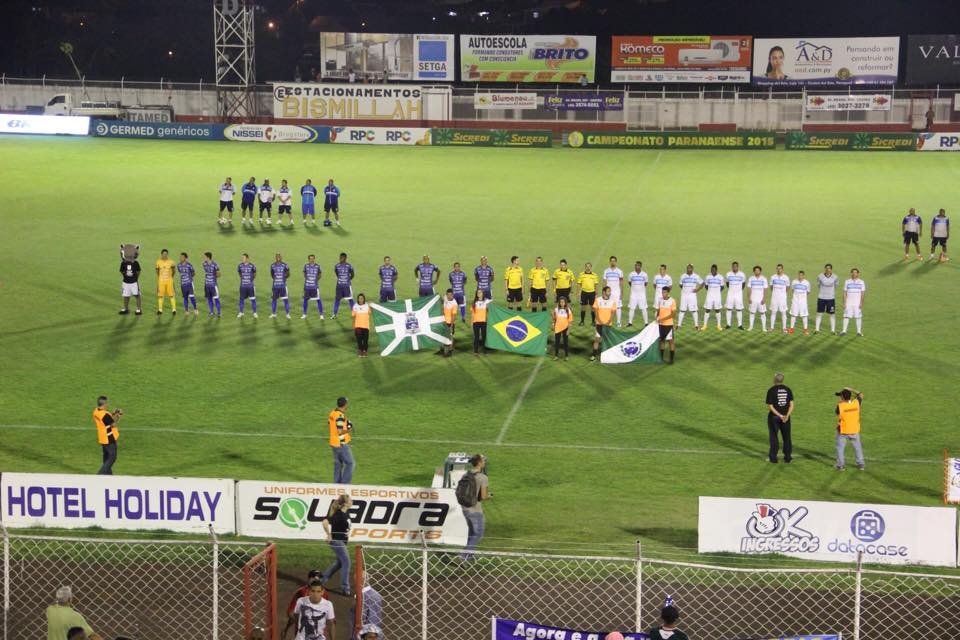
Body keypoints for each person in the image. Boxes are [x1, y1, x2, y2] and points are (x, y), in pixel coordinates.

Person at [460, 454, 490, 561]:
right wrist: (489, 496)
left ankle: (470, 554)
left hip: (464, 508)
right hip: (475, 509)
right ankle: (464, 555)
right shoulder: (483, 477)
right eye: (483, 461)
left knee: (472, 531)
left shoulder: (465, 475)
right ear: (479, 463)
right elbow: (483, 496)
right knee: (478, 533)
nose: (484, 462)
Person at [321, 495, 352, 596]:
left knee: (339, 563)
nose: (352, 501)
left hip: (342, 541)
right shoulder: (338, 514)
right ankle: (345, 588)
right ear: (346, 503)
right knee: (346, 562)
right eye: (350, 500)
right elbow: (325, 522)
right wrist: (329, 534)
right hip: (337, 541)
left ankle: (321, 580)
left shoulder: (346, 513)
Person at [282, 569, 326, 640]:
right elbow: (291, 612)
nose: (316, 580)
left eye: (319, 578)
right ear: (308, 579)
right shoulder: (301, 592)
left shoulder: (324, 593)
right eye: (314, 578)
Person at [766, 373, 795, 464]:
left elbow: (771, 407)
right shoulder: (788, 389)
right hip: (786, 418)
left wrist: (780, 415)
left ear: (775, 379)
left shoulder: (771, 390)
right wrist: (786, 416)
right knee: (787, 438)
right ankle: (788, 458)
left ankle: (773, 458)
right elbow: (792, 405)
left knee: (774, 437)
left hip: (774, 418)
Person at [835, 387, 865, 471]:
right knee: (857, 447)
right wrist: (850, 389)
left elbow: (837, 412)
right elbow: (861, 394)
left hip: (843, 431)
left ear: (843, 397)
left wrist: (841, 402)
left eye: (840, 396)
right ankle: (861, 464)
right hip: (854, 430)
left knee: (840, 448)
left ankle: (840, 465)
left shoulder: (840, 406)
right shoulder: (856, 403)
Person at [92, 396, 122, 474]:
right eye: (107, 403)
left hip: (102, 438)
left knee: (106, 458)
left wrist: (113, 413)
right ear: (104, 404)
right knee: (112, 457)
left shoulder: (96, 411)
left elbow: (106, 419)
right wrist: (119, 417)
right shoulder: (105, 415)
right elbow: (113, 424)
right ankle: (99, 475)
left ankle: (108, 477)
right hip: (109, 438)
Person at [328, 397, 354, 483]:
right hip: (340, 443)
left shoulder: (332, 413)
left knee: (338, 465)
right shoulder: (340, 416)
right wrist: (348, 430)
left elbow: (330, 424)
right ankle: (344, 485)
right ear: (345, 405)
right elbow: (339, 431)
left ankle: (337, 486)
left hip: (333, 442)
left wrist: (345, 423)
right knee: (350, 463)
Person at [591, 286, 616, 362]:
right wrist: (599, 320)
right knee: (597, 340)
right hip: (599, 324)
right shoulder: (598, 300)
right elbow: (595, 311)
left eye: (610, 291)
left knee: (608, 340)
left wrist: (609, 321)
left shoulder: (612, 301)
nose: (610, 293)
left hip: (608, 324)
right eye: (608, 291)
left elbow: (613, 313)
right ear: (604, 292)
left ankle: (608, 355)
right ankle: (594, 355)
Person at [840, 268, 866, 337]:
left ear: (858, 274)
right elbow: (844, 293)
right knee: (846, 316)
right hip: (849, 303)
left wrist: (861, 303)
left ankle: (859, 332)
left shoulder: (861, 282)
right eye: (853, 272)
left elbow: (862, 293)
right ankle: (844, 331)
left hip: (857, 303)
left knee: (858, 317)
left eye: (855, 272)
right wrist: (844, 303)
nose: (854, 274)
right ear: (851, 273)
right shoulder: (847, 281)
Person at [676, 264, 703, 330]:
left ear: (692, 269)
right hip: (684, 295)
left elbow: (702, 283)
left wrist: (697, 289)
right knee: (682, 310)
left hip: (692, 295)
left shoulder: (696, 276)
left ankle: (696, 326)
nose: (689, 269)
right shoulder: (683, 276)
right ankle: (679, 325)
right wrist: (685, 290)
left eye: (690, 268)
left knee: (694, 310)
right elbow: (680, 284)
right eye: (688, 268)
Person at [119, 249, 142, 316]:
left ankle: (139, 309)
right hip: (126, 282)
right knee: (126, 295)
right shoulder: (123, 263)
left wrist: (135, 278)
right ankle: (126, 309)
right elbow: (121, 271)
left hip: (134, 283)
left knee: (137, 295)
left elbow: (138, 271)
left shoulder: (135, 263)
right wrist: (125, 276)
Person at [602, 256, 624, 326]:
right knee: (608, 306)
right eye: (611, 261)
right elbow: (604, 282)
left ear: (616, 262)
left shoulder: (619, 271)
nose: (613, 262)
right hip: (608, 292)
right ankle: (608, 320)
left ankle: (618, 322)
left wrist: (621, 292)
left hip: (617, 292)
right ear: (610, 262)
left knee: (618, 307)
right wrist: (604, 292)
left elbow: (621, 282)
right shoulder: (606, 271)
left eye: (614, 261)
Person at [657, 286, 676, 364]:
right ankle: (661, 358)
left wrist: (663, 319)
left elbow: (673, 314)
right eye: (662, 292)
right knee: (662, 341)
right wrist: (657, 316)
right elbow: (658, 310)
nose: (663, 294)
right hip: (661, 324)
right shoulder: (660, 300)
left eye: (664, 292)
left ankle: (671, 359)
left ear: (668, 293)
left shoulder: (672, 301)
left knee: (670, 341)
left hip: (668, 325)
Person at [701, 265, 724, 331]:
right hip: (709, 296)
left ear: (716, 270)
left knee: (717, 310)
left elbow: (722, 287)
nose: (712, 271)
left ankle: (719, 326)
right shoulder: (708, 277)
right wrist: (711, 291)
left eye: (714, 270)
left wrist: (716, 291)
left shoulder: (720, 277)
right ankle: (705, 325)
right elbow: (706, 286)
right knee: (707, 309)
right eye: (711, 270)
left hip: (717, 296)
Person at [724, 261, 746, 329]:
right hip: (730, 294)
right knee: (729, 308)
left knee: (739, 309)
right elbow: (727, 284)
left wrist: (738, 290)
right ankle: (728, 324)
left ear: (738, 267)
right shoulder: (728, 274)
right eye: (733, 266)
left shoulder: (742, 274)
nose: (734, 267)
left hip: (739, 294)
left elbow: (743, 284)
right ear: (732, 267)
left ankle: (740, 325)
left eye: (736, 266)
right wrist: (732, 289)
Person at [332, 253, 355, 318]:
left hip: (347, 286)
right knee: (337, 300)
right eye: (340, 257)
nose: (340, 259)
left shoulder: (349, 266)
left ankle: (354, 314)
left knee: (350, 299)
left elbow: (352, 274)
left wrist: (347, 280)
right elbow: (336, 273)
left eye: (342, 258)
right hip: (339, 286)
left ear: (345, 258)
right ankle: (334, 314)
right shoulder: (337, 266)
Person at [626, 261, 649, 327]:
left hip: (642, 294)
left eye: (638, 266)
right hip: (633, 294)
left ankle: (646, 323)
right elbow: (630, 282)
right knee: (631, 308)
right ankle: (630, 322)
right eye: (636, 265)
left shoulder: (644, 274)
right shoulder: (631, 274)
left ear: (640, 266)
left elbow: (646, 283)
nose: (637, 267)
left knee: (644, 308)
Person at [769, 263, 790, 333]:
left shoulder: (786, 278)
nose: (779, 270)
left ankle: (784, 328)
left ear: (782, 269)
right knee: (773, 312)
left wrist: (782, 293)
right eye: (777, 269)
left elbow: (787, 287)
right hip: (774, 298)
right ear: (776, 269)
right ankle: (771, 327)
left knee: (783, 312)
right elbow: (771, 287)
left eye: (780, 269)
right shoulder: (773, 277)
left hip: (782, 298)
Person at [269, 253, 291, 320]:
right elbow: (272, 274)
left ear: (281, 258)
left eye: (279, 257)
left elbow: (288, 273)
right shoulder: (272, 265)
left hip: (283, 286)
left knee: (285, 300)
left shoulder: (285, 265)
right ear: (275, 258)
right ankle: (273, 314)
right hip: (275, 286)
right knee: (274, 300)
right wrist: (276, 279)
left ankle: (287, 314)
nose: (278, 258)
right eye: (277, 257)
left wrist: (284, 278)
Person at [788, 269, 811, 335]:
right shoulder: (794, 281)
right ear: (798, 275)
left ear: (804, 276)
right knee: (793, 315)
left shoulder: (807, 283)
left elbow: (808, 292)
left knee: (804, 315)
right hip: (795, 301)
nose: (800, 276)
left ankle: (805, 330)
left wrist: (802, 297)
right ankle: (791, 329)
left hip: (803, 302)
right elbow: (793, 290)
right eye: (799, 275)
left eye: (801, 275)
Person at [302, 254, 324, 319]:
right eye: (310, 258)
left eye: (313, 258)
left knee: (318, 300)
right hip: (307, 286)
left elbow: (320, 274)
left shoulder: (317, 266)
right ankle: (304, 314)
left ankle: (321, 315)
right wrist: (308, 280)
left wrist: (316, 280)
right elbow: (304, 274)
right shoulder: (306, 266)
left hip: (315, 287)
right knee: (305, 300)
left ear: (314, 259)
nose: (311, 260)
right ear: (308, 259)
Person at [155, 249, 177, 315]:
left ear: (167, 254)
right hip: (161, 281)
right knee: (160, 296)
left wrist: (171, 277)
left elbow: (174, 271)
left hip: (169, 281)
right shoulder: (158, 262)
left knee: (171, 295)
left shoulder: (171, 262)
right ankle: (160, 310)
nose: (165, 255)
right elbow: (157, 272)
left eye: (166, 254)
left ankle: (174, 310)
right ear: (161, 254)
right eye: (164, 254)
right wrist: (160, 277)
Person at [747, 265, 768, 332]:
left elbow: (765, 289)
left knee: (762, 313)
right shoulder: (751, 278)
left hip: (761, 299)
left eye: (758, 270)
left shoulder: (764, 279)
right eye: (755, 270)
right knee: (752, 313)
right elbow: (749, 289)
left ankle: (764, 328)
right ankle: (750, 327)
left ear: (760, 271)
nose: (757, 272)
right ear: (754, 271)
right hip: (753, 299)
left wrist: (764, 298)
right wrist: (749, 298)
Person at [237, 253, 258, 319]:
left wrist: (250, 280)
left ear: (247, 259)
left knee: (253, 299)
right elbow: (239, 273)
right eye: (242, 258)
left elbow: (254, 274)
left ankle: (254, 313)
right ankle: (241, 312)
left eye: (243, 258)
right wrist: (243, 279)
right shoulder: (240, 266)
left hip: (250, 286)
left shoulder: (252, 266)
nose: (242, 259)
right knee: (241, 299)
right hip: (243, 286)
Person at [202, 252, 222, 317]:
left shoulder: (215, 265)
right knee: (209, 299)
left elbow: (219, 274)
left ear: (208, 257)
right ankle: (211, 312)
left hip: (213, 285)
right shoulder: (204, 264)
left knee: (216, 299)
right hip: (207, 285)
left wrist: (214, 275)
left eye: (204, 257)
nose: (203, 258)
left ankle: (219, 312)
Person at [552, 296, 572, 360]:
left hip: (565, 328)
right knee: (557, 342)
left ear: (565, 302)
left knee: (565, 342)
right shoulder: (556, 309)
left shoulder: (568, 310)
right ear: (559, 302)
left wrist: (569, 329)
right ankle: (556, 356)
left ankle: (566, 356)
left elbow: (570, 321)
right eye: (560, 302)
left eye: (563, 302)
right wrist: (552, 316)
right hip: (557, 328)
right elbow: (555, 319)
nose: (562, 303)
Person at [471, 289, 490, 355]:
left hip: (484, 321)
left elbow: (490, 309)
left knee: (484, 336)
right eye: (478, 292)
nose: (479, 293)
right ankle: (475, 351)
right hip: (476, 322)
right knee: (476, 337)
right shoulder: (474, 303)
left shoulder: (486, 301)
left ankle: (484, 350)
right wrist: (471, 322)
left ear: (483, 293)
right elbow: (473, 314)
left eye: (480, 292)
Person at [441, 289, 457, 356]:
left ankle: (450, 350)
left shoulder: (454, 304)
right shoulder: (445, 297)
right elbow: (442, 300)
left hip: (450, 322)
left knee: (450, 336)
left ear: (453, 295)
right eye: (447, 294)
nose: (448, 296)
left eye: (450, 295)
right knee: (442, 335)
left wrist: (451, 326)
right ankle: (441, 350)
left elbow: (454, 316)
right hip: (443, 321)